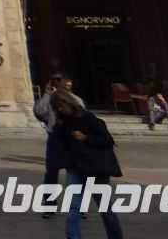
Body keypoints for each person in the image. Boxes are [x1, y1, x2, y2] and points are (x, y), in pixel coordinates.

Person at [51, 92, 124, 239]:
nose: (59, 110)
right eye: (56, 108)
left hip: (95, 168)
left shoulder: (87, 117)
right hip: (75, 168)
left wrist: (84, 137)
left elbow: (107, 141)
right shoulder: (61, 123)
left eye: (60, 106)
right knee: (73, 206)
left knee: (105, 208)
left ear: (68, 102)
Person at [34, 74, 83, 212]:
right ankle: (49, 203)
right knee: (51, 172)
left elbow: (82, 117)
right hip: (54, 138)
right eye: (54, 80)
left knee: (74, 171)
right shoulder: (51, 98)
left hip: (70, 138)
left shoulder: (76, 99)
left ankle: (77, 204)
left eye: (59, 80)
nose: (57, 82)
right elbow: (40, 111)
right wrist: (46, 94)